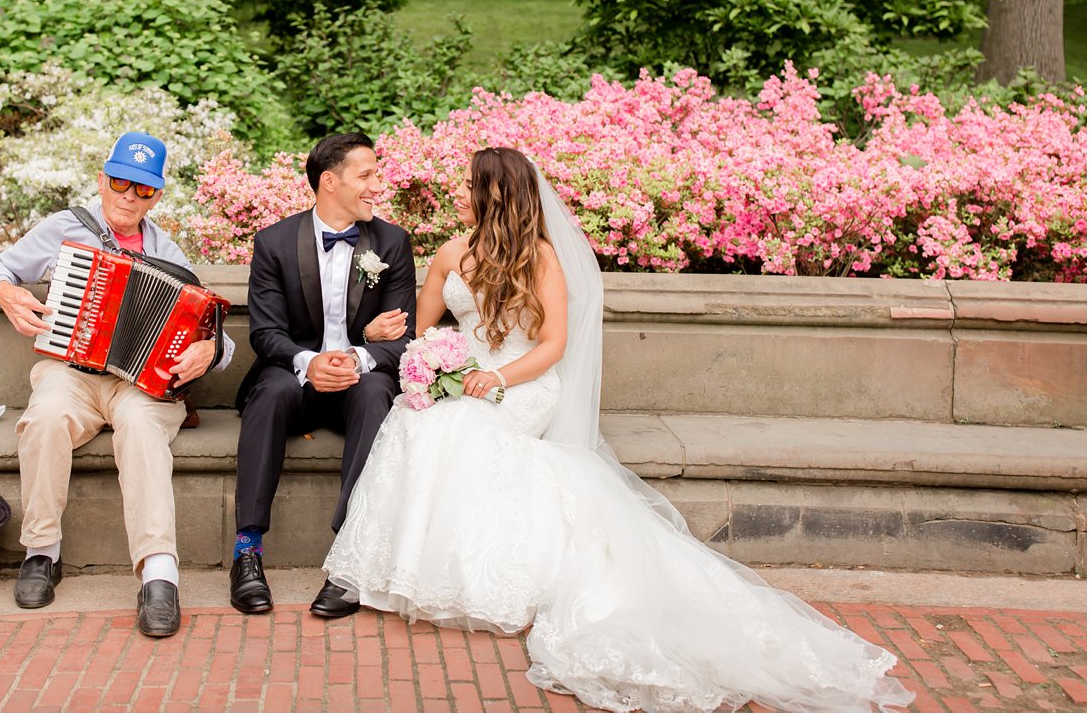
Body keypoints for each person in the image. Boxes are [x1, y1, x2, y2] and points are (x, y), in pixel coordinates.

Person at [324, 147, 914, 712]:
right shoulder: (451, 253)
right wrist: (430, 362)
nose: (458, 193)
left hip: (524, 382)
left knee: (466, 427)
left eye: (467, 185)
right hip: (468, 374)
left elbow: (552, 346)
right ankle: (406, 567)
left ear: (493, 195)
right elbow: (425, 331)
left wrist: (497, 378)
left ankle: (470, 572)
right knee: (421, 418)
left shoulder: (543, 259)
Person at [0, 131, 234, 638]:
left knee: (141, 427)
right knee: (45, 416)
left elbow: (214, 337)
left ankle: (159, 573)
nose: (129, 196)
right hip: (72, 373)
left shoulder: (169, 251)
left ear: (157, 195)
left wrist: (209, 351)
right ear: (102, 180)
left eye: (143, 190)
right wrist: (8, 294)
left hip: (139, 387)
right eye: (121, 182)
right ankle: (41, 552)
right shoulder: (64, 228)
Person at [229, 133, 416, 619]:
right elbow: (266, 333)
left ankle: (350, 563)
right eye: (367, 175)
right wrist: (309, 363)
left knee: (378, 390)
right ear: (329, 182)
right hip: (295, 378)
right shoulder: (274, 242)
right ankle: (247, 551)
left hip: (359, 381)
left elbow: (402, 336)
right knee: (268, 392)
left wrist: (356, 356)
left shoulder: (392, 242)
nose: (379, 184)